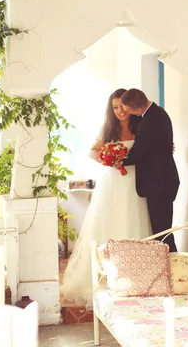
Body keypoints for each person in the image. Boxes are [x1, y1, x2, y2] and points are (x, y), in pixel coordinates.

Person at [61, 88, 152, 308]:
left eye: (122, 105)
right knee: (111, 220)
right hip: (113, 181)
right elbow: (93, 150)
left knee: (134, 218)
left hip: (135, 182)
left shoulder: (140, 125)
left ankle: (136, 276)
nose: (120, 110)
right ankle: (109, 275)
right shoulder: (108, 128)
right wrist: (107, 159)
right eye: (115, 107)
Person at [120, 88, 180, 253]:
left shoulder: (149, 122)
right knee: (163, 229)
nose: (128, 114)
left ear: (138, 110)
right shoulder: (159, 112)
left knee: (162, 233)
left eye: (128, 111)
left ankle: (172, 266)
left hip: (159, 183)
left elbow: (139, 152)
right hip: (164, 180)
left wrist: (118, 161)